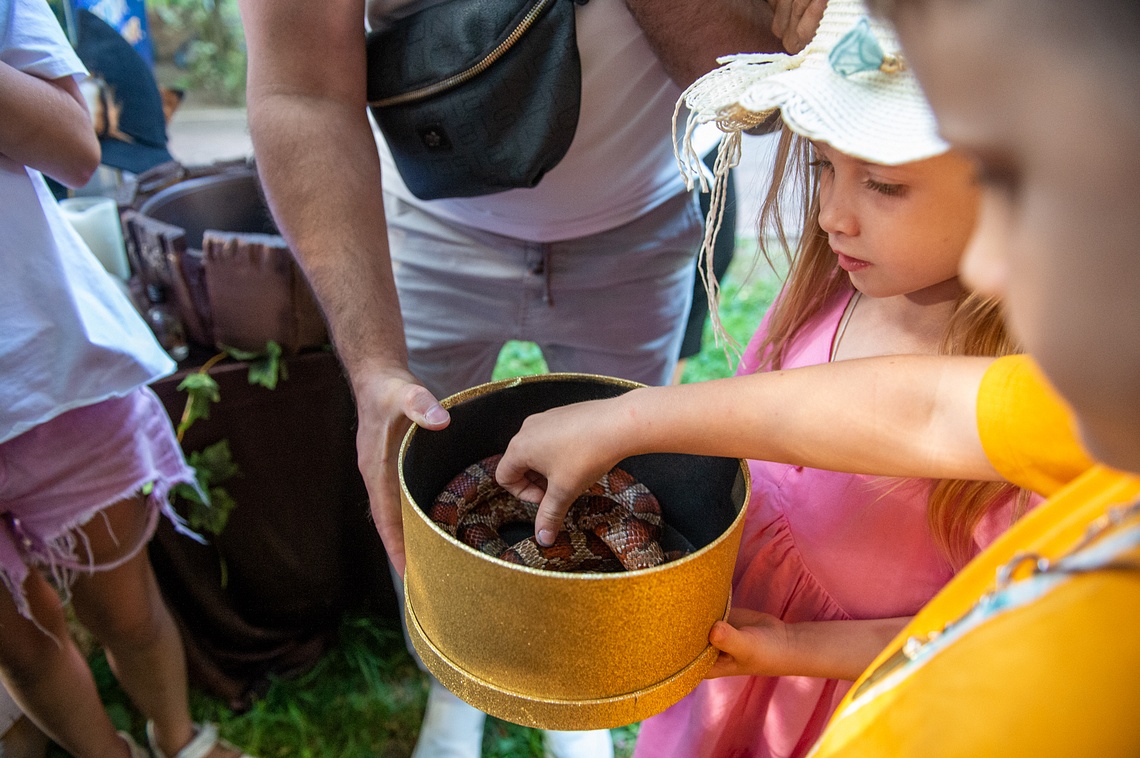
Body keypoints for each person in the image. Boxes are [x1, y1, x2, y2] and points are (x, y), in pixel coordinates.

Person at [497, 0, 1140, 754]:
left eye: (887, 186)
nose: (832, 215)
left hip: (836, 697)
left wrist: (793, 651)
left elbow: (973, 611)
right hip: (737, 669)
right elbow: (907, 415)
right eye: (821, 167)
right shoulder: (829, 295)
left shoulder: (1083, 425)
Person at [236, 0, 793, 754]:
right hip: (429, 224)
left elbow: (754, 85)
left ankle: (579, 693)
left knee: (619, 457)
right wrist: (372, 367)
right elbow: (298, 90)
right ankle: (455, 673)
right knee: (418, 464)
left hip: (642, 222)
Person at [0, 2, 255, 757]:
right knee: (19, 645)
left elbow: (76, 149)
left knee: (126, 611)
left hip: (45, 372)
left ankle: (178, 740)